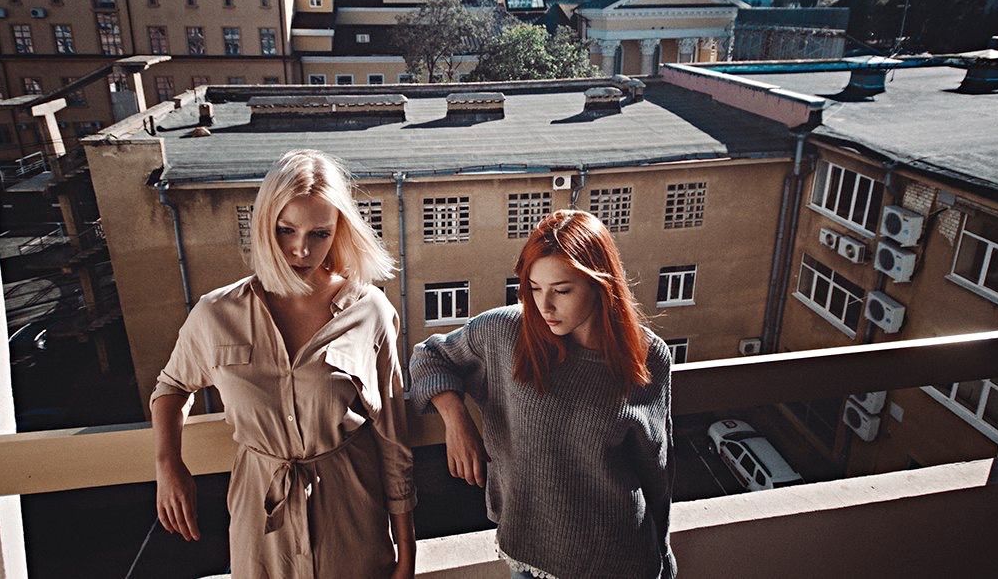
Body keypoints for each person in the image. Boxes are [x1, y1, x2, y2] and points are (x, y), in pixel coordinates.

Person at [150, 149, 416, 579]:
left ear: (339, 232)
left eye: (319, 233)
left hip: (352, 518)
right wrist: (168, 463)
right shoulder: (216, 313)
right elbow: (171, 387)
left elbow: (392, 435)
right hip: (260, 522)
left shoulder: (369, 311)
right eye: (286, 229)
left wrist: (407, 549)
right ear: (263, 226)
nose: (300, 249)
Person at [410, 209, 676, 579]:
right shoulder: (504, 331)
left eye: (562, 291)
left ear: (601, 285)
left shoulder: (646, 355)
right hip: (530, 552)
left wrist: (661, 553)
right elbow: (430, 355)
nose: (544, 306)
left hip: (620, 559)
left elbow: (656, 467)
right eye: (534, 288)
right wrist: (456, 418)